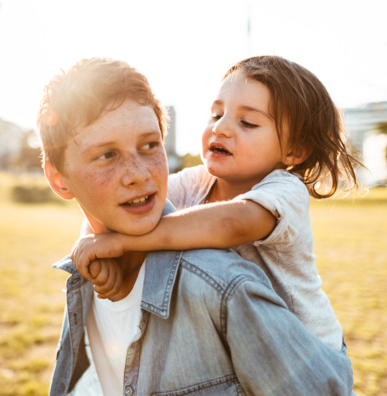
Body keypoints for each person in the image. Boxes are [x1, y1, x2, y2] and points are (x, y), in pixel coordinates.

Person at [38, 57, 354, 395]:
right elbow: (124, 205)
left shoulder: (284, 190)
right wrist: (96, 248)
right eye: (216, 114)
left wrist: (124, 244)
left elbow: (230, 224)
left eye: (247, 122)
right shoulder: (197, 181)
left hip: (308, 351)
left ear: (294, 150)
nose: (222, 128)